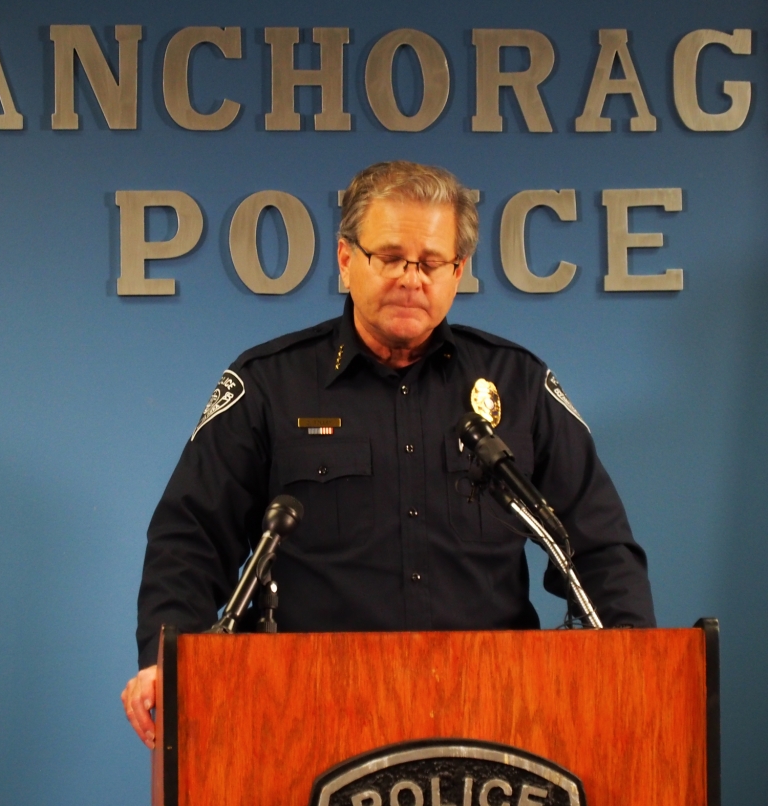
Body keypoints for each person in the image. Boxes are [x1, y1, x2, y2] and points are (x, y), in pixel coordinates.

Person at [121, 161, 656, 748]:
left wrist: (630, 663)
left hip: (494, 713)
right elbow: (190, 536)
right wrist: (168, 657)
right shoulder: (271, 383)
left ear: (458, 272)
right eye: (391, 256)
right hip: (305, 711)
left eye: (430, 262)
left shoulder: (518, 385)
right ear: (347, 259)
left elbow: (596, 542)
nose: (411, 278)